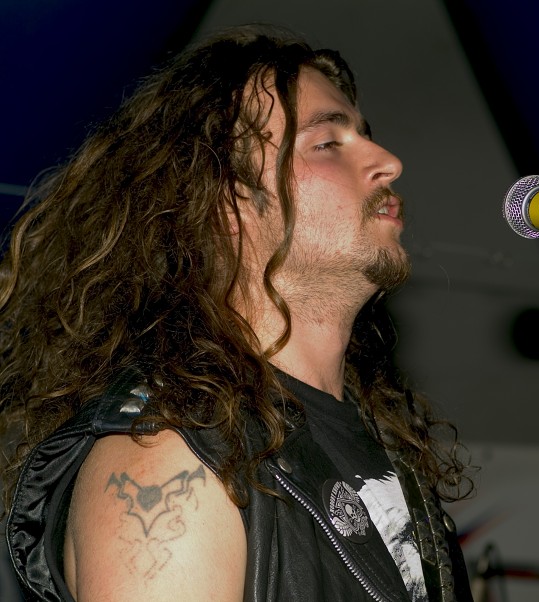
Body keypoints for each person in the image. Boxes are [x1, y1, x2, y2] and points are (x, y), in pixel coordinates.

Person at [0, 24, 473, 602]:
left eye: (365, 134)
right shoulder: (165, 460)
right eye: (327, 143)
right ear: (225, 200)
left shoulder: (382, 443)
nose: (389, 162)